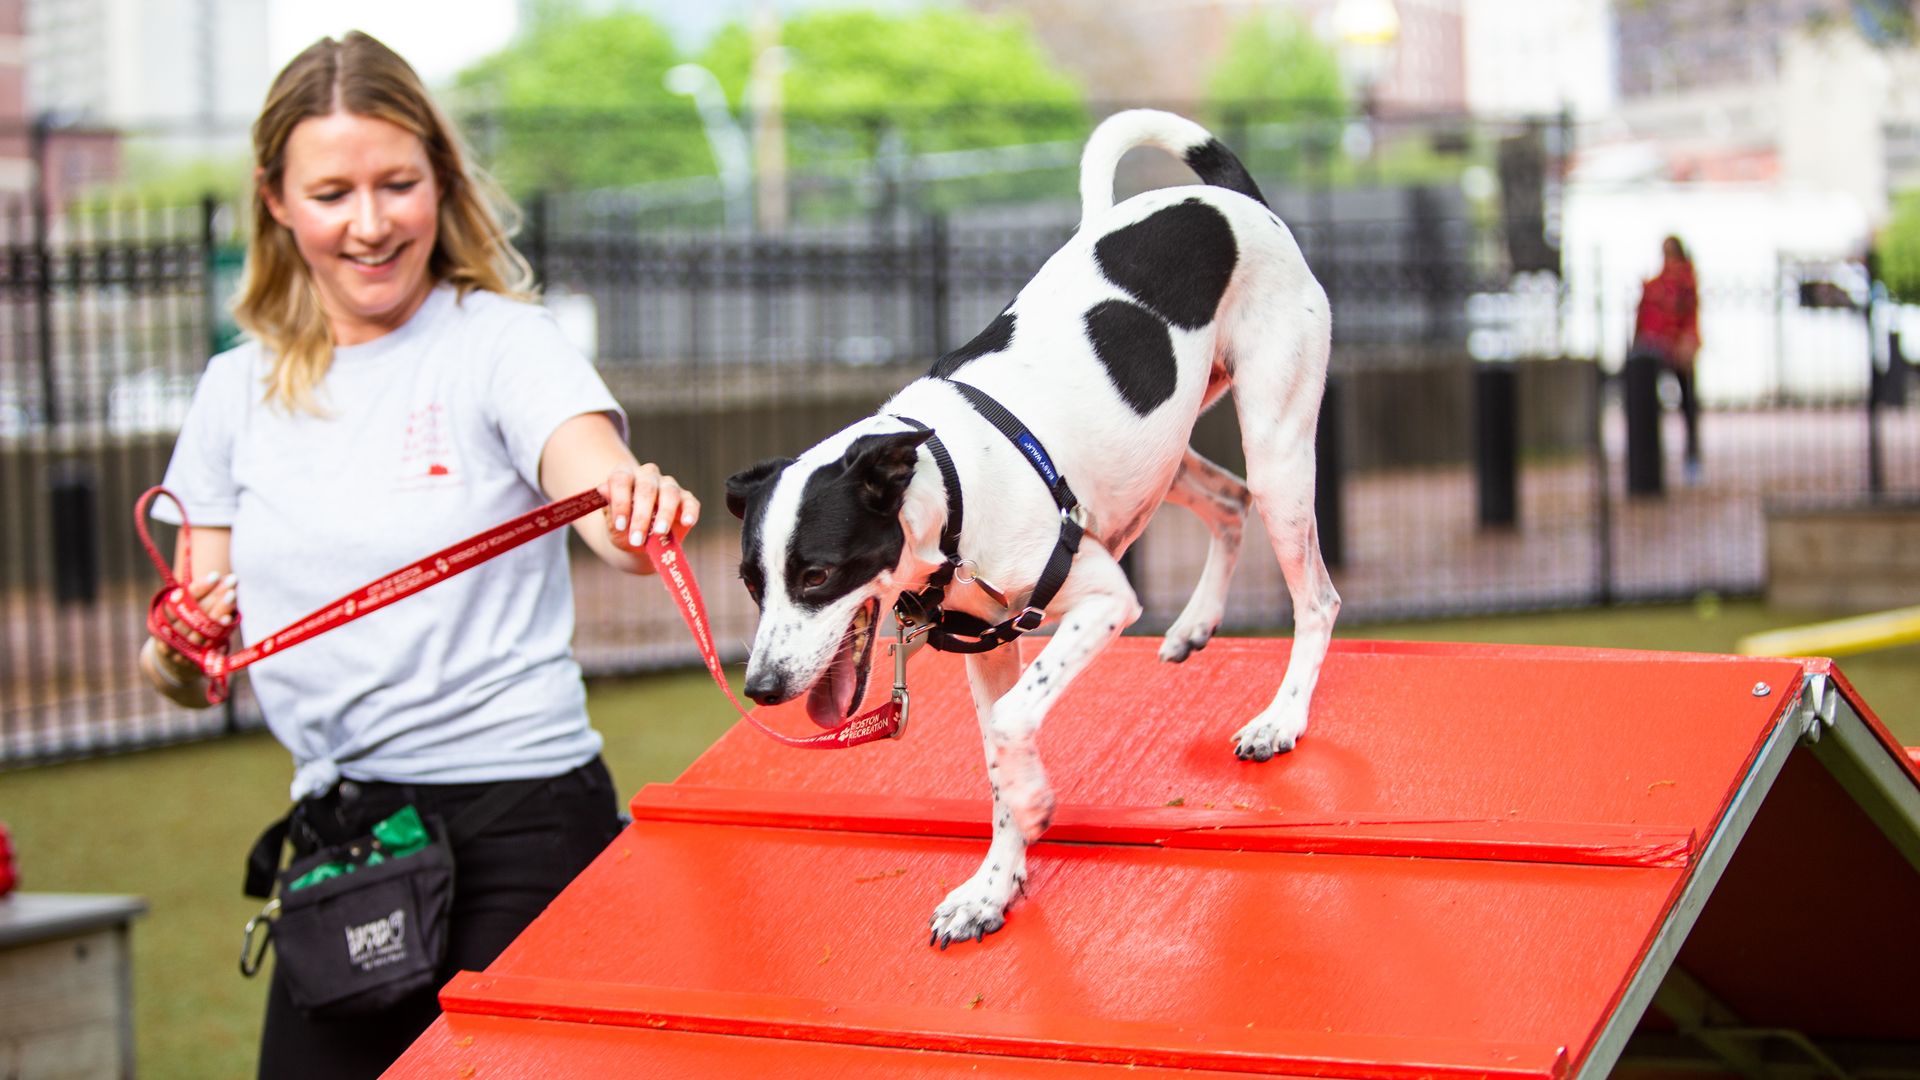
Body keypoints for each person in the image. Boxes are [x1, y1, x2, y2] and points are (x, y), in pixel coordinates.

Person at [136, 32, 699, 1078]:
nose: (370, 222)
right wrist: (182, 645)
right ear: (275, 199)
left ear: (440, 176)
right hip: (349, 840)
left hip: (526, 820)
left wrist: (629, 507)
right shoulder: (231, 393)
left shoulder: (501, 342)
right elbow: (182, 665)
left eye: (398, 183)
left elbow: (593, 484)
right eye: (333, 191)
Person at [1632, 234, 1704, 484]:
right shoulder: (1657, 283)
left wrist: (1688, 341)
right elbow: (1644, 318)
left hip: (1677, 350)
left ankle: (1692, 459)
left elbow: (1689, 315)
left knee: (1689, 406)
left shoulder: (1685, 281)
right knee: (1649, 407)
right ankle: (1650, 462)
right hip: (1656, 350)